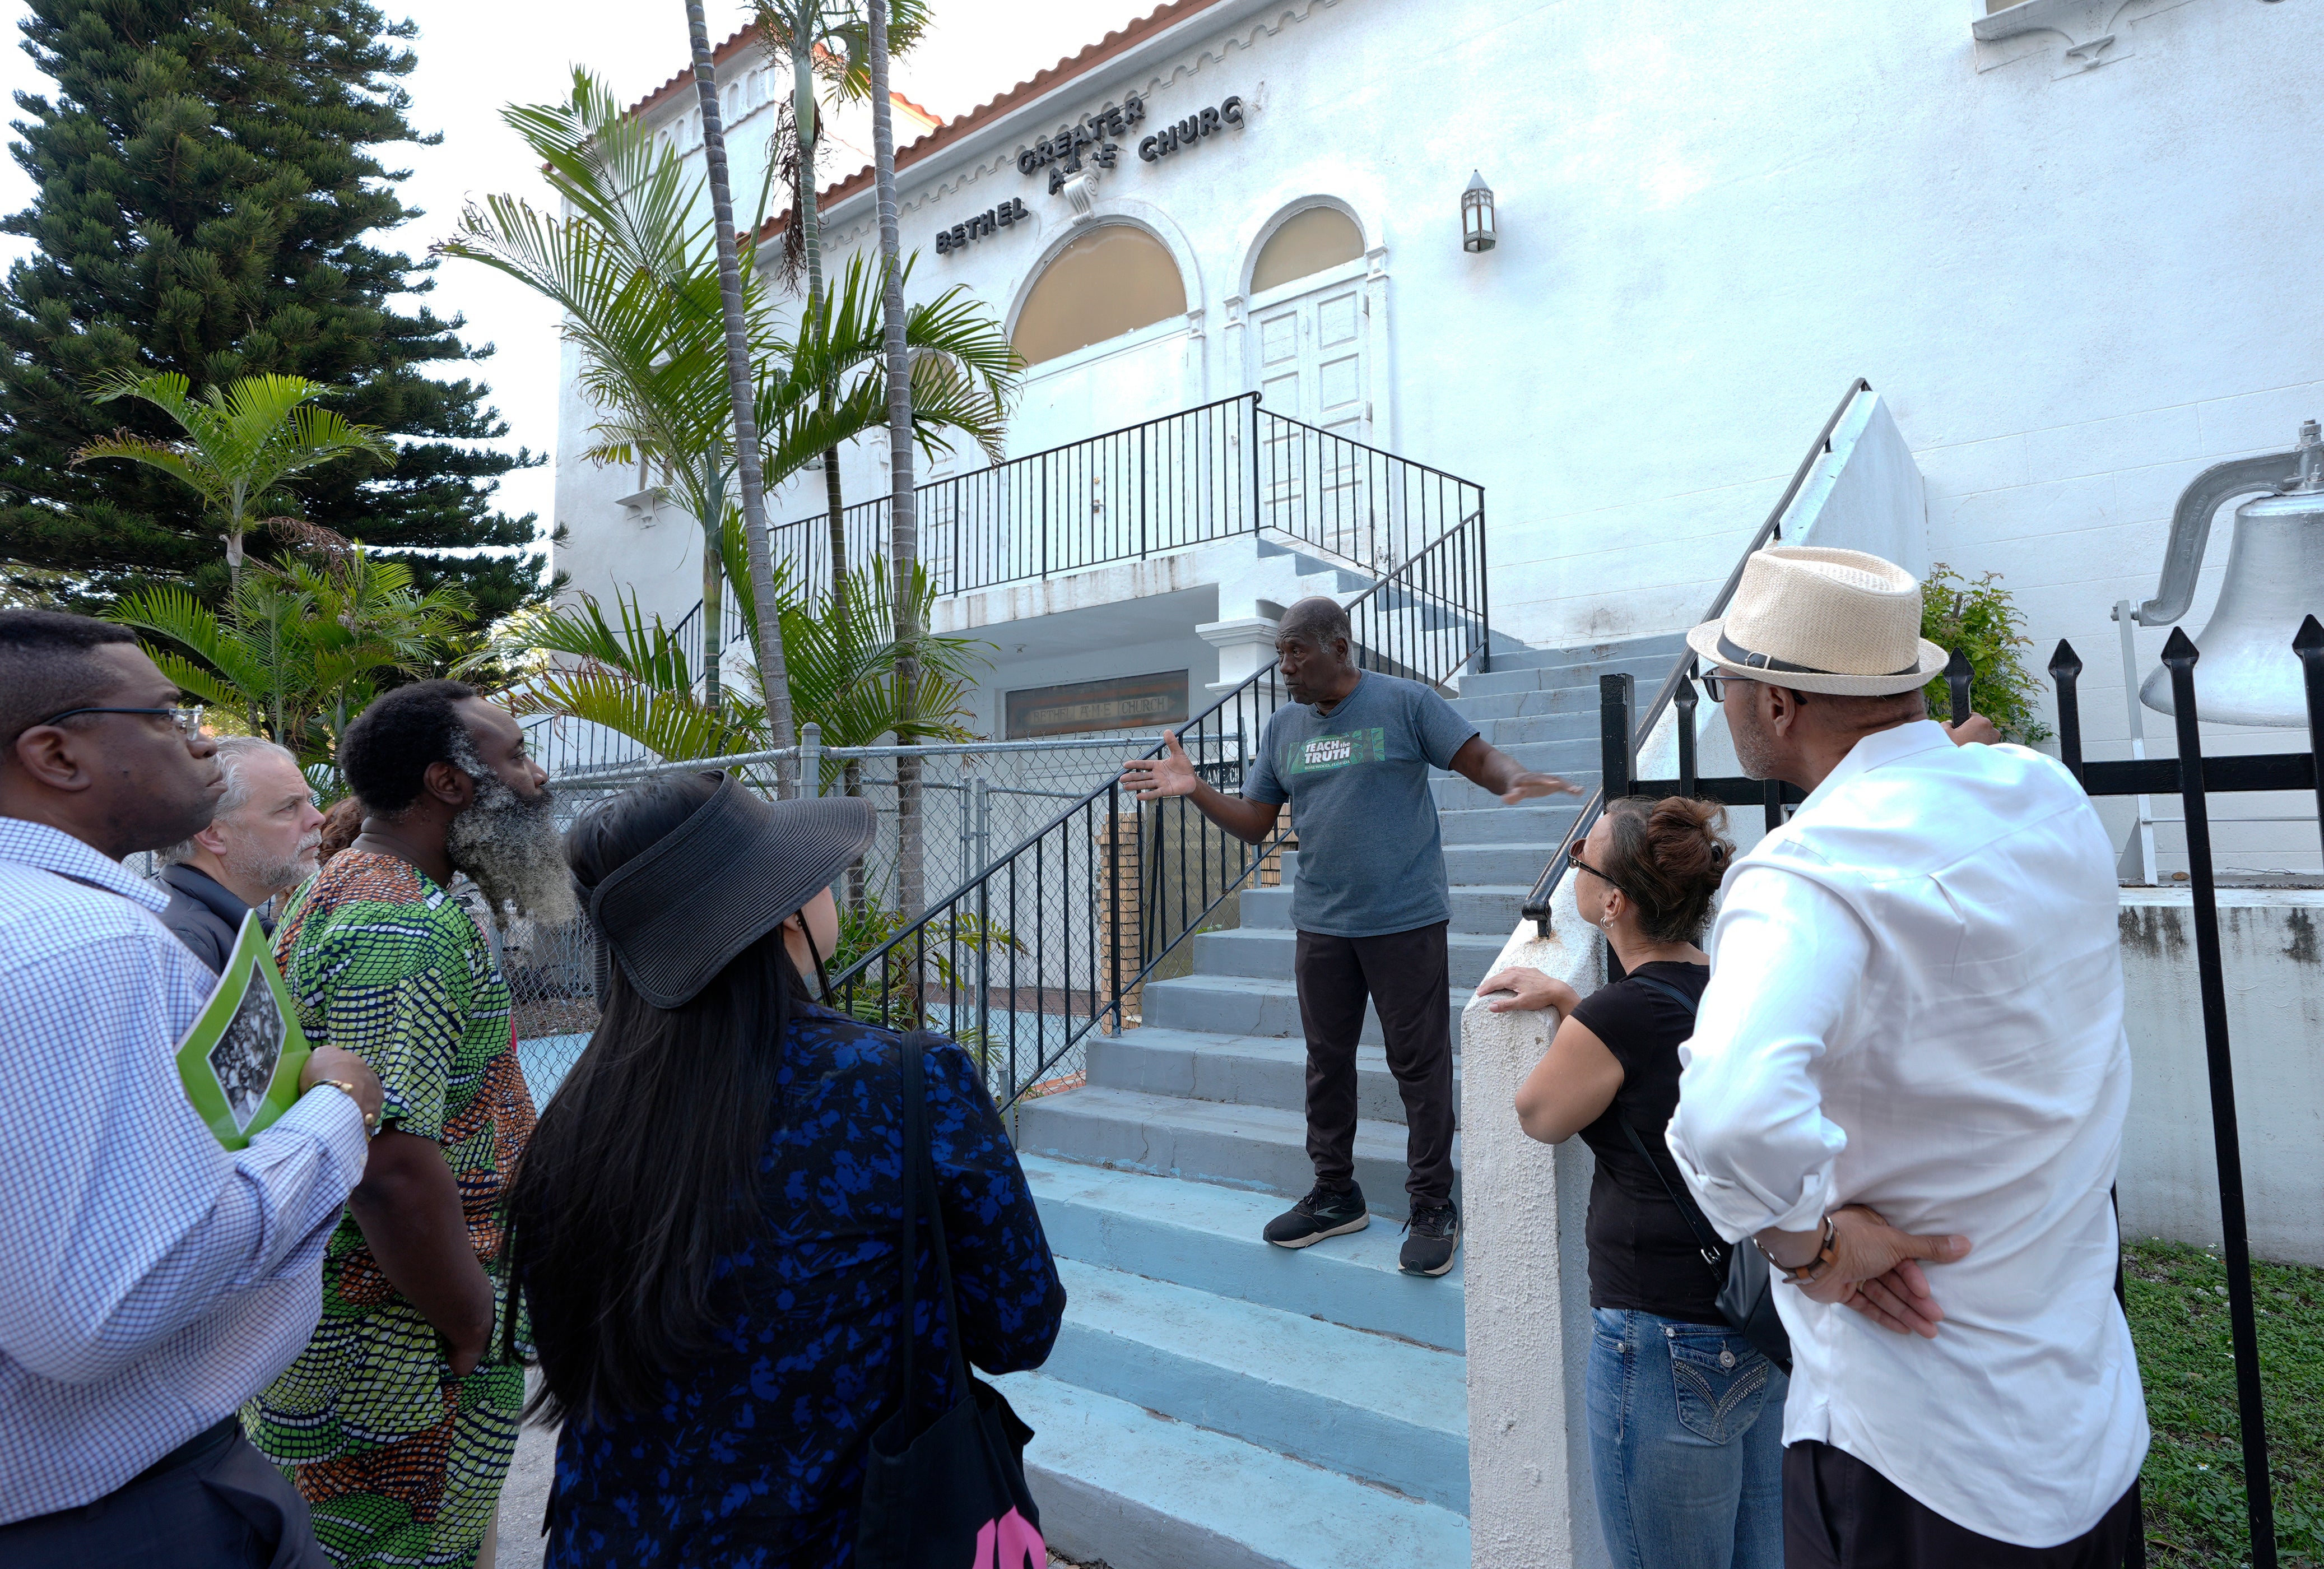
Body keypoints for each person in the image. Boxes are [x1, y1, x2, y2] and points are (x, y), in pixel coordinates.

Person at [1660, 546, 2145, 1567]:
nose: (1722, 702)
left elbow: (1730, 1114)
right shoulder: (2041, 797)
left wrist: (1809, 1250)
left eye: (1723, 682)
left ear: (1778, 705)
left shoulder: (1809, 871)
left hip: (1917, 1450)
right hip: (2084, 1419)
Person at [508, 770, 1067, 1565]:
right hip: (846, 1536)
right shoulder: (903, 1084)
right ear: (781, 916)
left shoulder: (579, 1114)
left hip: (613, 1535)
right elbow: (1020, 1327)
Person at [0, 609, 382, 1569]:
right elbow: (98, 1312)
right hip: (116, 1517)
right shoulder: (85, 947)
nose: (200, 740)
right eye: (170, 717)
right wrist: (338, 1113)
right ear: (57, 754)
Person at [1123, 595, 1577, 1275]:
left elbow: (1474, 756)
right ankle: (1336, 1194)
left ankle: (1431, 1203)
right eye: (1279, 652)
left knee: (1417, 1064)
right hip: (1322, 923)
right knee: (1324, 1064)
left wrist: (1514, 779)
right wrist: (1193, 790)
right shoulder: (1282, 727)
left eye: (1295, 651)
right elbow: (1254, 823)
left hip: (1405, 919)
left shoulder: (1405, 703)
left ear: (1339, 645)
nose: (1284, 666)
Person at [245, 680, 573, 1569]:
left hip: (395, 1336)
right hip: (399, 1353)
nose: (537, 777)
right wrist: (470, 1322)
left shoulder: (361, 888)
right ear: (450, 783)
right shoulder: (398, 927)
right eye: (513, 756)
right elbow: (384, 1162)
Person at [1480, 795, 1786, 1569]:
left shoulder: (1619, 1018)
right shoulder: (1723, 992)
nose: (1572, 863)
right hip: (1754, 1317)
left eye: (1581, 859)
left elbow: (1539, 1112)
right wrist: (1581, 1007)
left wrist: (1577, 1017)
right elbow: (1662, 1070)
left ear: (1611, 903)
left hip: (1661, 1342)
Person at [153, 735, 327, 973]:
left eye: (309, 800)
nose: (318, 818)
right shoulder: (183, 946)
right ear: (213, 835)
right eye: (288, 807)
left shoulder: (209, 928)